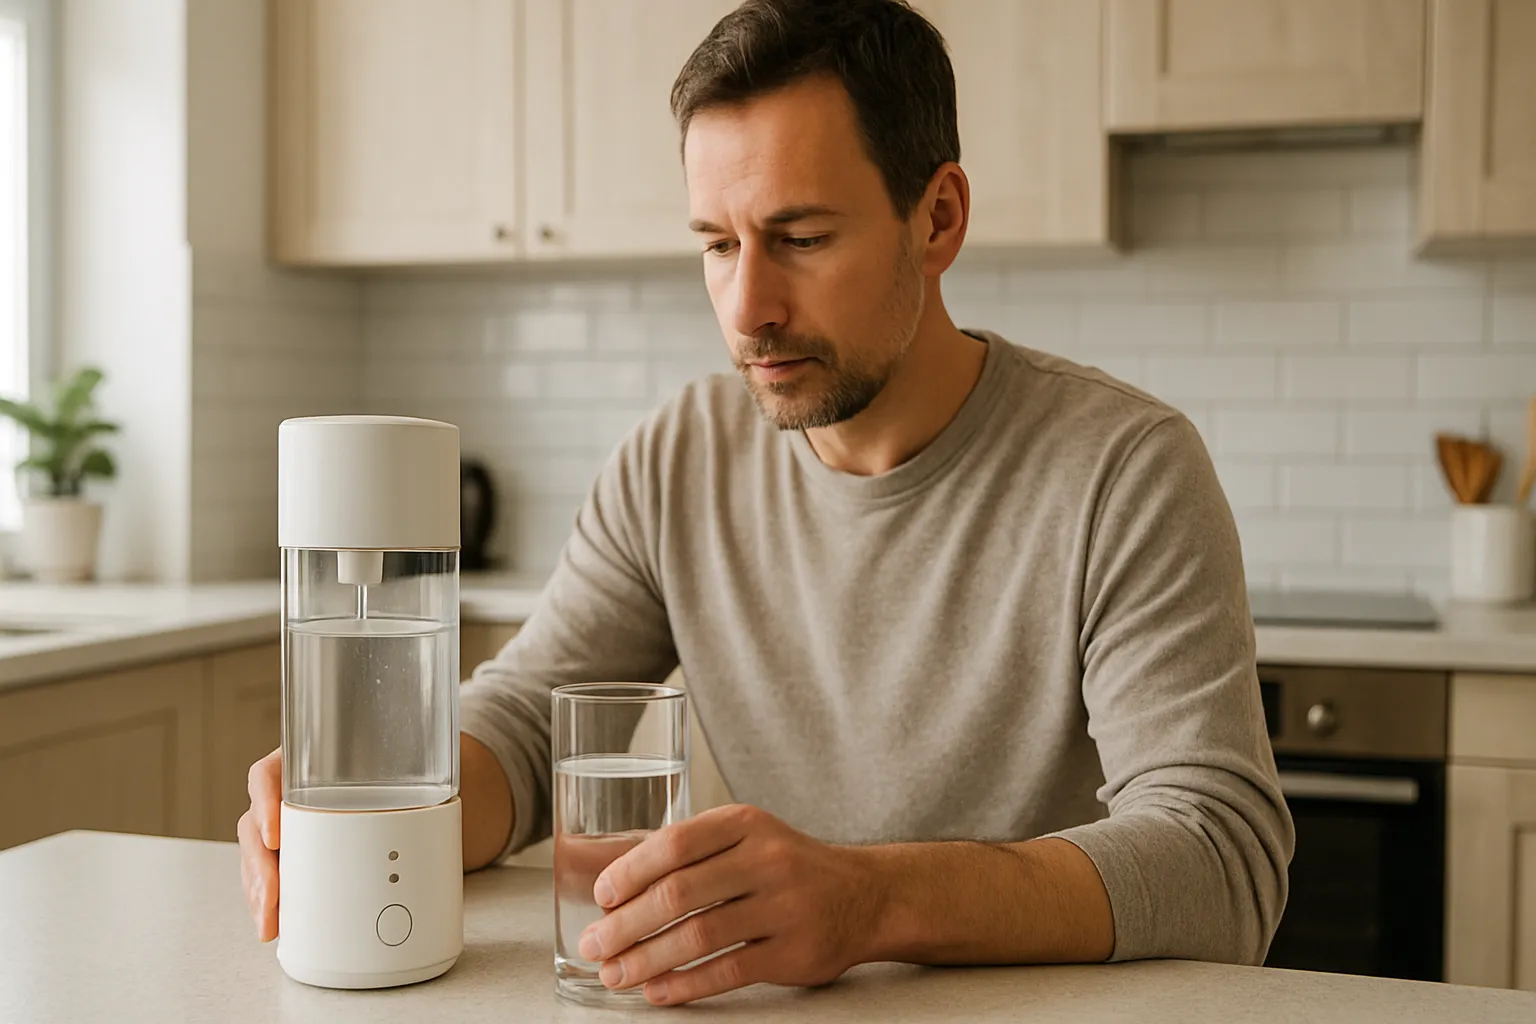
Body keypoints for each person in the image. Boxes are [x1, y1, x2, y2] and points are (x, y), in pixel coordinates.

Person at [240, 0, 1293, 1007]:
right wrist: (377, 793)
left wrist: (874, 900)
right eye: (717, 243)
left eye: (800, 237)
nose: (748, 307)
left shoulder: (1124, 469)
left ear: (938, 217)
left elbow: (1219, 855)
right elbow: (521, 730)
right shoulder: (677, 459)